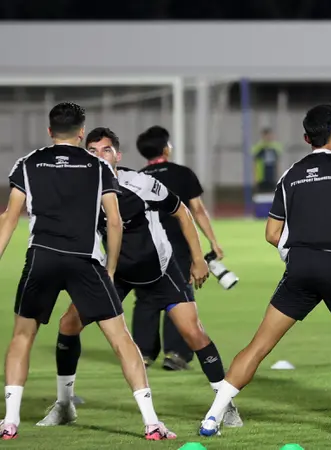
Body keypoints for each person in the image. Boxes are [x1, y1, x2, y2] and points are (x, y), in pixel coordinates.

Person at [198, 104, 331, 439]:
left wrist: (297, 258)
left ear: (306, 138)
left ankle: (212, 418)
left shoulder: (289, 175)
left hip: (299, 267)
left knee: (259, 345)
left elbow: (272, 234)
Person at [35, 127, 243, 429]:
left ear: (117, 155)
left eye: (105, 150)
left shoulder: (140, 183)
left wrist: (198, 259)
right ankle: (64, 405)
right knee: (69, 323)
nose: (98, 156)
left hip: (159, 269)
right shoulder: (77, 192)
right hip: (116, 271)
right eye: (91, 151)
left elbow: (182, 212)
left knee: (193, 333)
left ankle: (227, 405)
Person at [0, 103, 175, 440]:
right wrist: (109, 268)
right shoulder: (98, 166)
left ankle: (9, 422)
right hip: (84, 260)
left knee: (23, 336)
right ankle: (152, 422)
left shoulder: (27, 164)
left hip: (42, 258)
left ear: (50, 131)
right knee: (121, 339)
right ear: (82, 133)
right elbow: (113, 220)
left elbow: (9, 219)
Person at [135, 125, 226, 371]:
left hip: (146, 246)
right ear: (166, 148)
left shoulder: (137, 178)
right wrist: (213, 241)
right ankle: (175, 353)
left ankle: (142, 353)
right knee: (179, 296)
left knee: (145, 298)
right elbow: (197, 210)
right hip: (177, 245)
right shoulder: (182, 174)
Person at [251, 127, 284, 193]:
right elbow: (255, 162)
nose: (268, 137)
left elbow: (278, 162)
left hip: (272, 175)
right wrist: (255, 178)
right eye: (266, 135)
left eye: (270, 135)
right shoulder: (258, 147)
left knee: (272, 193)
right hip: (262, 176)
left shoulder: (275, 147)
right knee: (261, 193)